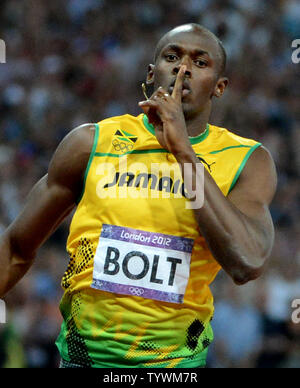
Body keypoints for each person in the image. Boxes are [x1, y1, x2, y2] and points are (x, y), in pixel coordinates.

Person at [0, 23, 277, 368]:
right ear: (151, 73)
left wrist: (184, 153)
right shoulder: (92, 143)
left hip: (174, 368)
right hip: (83, 360)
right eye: (172, 57)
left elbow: (247, 262)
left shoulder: (246, 160)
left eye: (200, 63)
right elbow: (15, 248)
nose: (183, 68)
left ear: (219, 87)